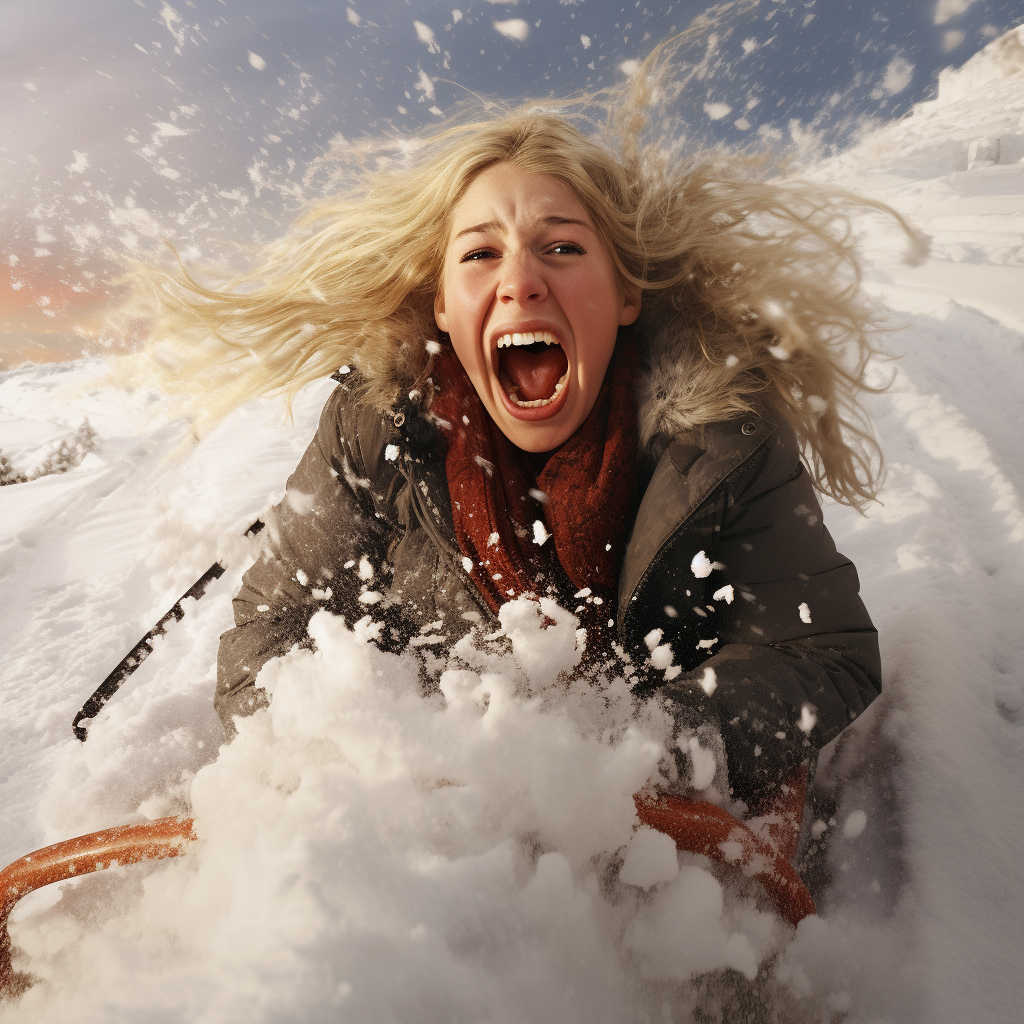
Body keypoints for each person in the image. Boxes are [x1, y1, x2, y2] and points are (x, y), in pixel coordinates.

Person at [121, 77, 918, 812]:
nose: (521, 281)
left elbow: (819, 650)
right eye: (479, 254)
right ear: (441, 303)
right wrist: (364, 763)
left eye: (563, 247)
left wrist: (629, 753)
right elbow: (272, 629)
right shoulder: (374, 428)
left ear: (626, 292)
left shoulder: (722, 437)